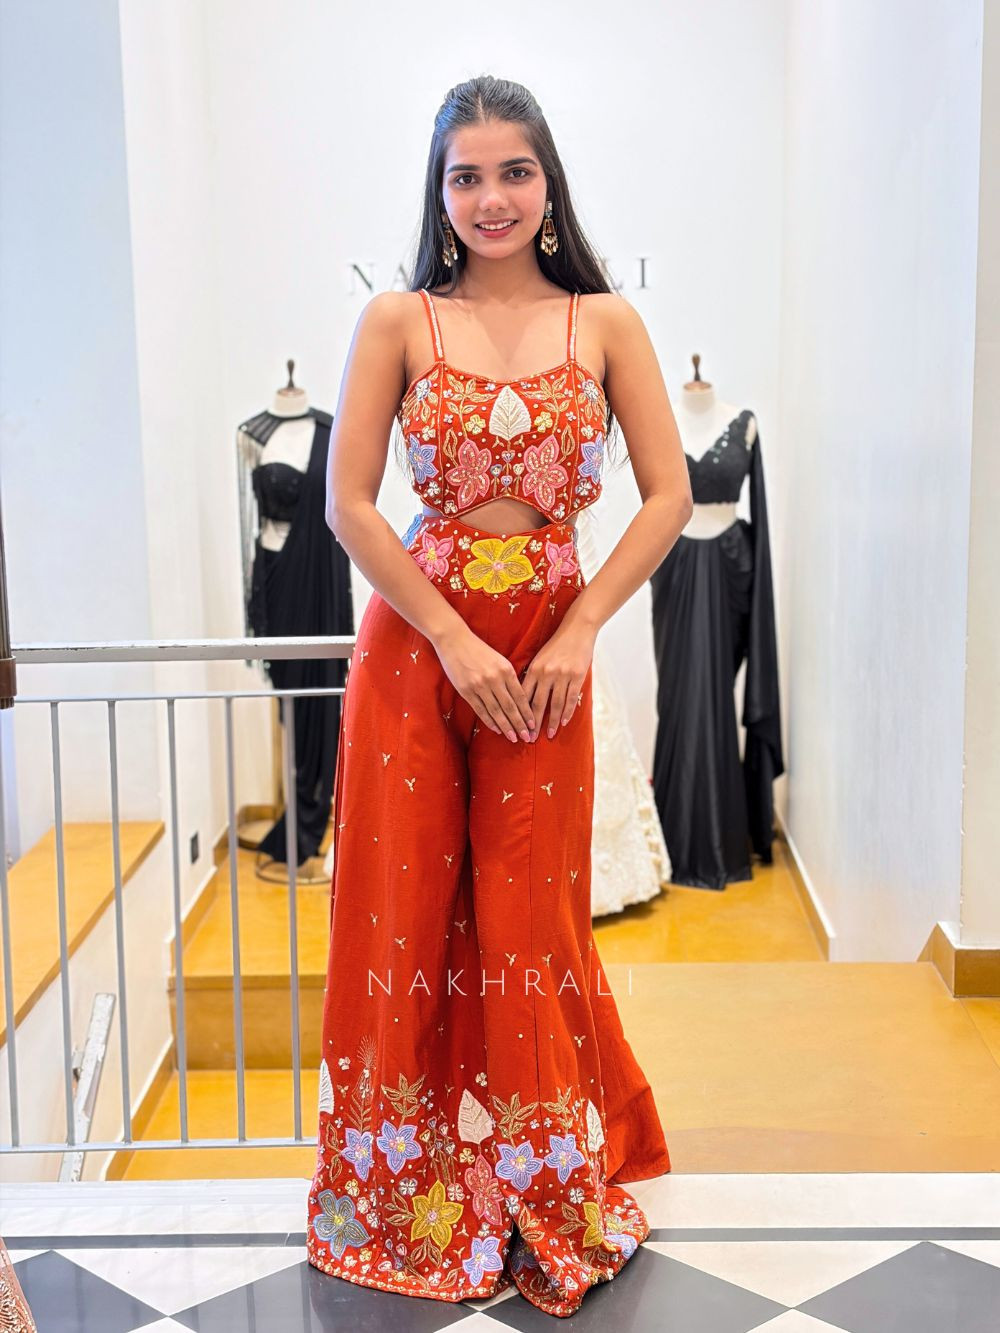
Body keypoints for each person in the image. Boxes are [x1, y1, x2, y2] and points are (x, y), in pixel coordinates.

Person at [306, 74, 693, 1318]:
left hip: (546, 658)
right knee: (404, 918)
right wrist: (448, 634)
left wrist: (578, 626)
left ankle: (537, 1186)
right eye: (464, 175)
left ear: (547, 182)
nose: (489, 197)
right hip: (419, 649)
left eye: (512, 171)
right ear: (439, 192)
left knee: (532, 923)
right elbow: (349, 503)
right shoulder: (398, 320)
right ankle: (403, 1190)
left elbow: (669, 496)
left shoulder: (605, 322)